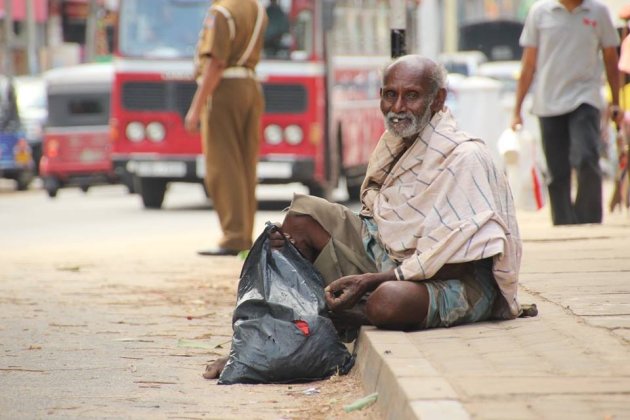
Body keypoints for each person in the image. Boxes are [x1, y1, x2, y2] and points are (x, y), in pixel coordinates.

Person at [203, 54, 524, 379]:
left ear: (437, 99)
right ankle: (269, 339)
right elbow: (381, 222)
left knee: (387, 302)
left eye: (411, 95)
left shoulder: (465, 157)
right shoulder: (397, 141)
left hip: (457, 278)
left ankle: (329, 316)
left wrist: (372, 280)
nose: (398, 106)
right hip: (394, 259)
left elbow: (458, 262)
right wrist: (289, 251)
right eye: (389, 94)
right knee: (300, 218)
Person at [511, 0, 621, 225]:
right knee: (557, 170)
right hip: (548, 101)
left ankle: (588, 220)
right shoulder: (539, 13)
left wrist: (616, 102)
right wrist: (517, 110)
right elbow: (528, 64)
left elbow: (611, 59)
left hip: (585, 98)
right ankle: (564, 223)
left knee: (586, 157)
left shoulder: (598, 13)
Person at [185, 0, 268, 256]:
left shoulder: (221, 12)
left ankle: (233, 236)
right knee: (245, 165)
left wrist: (195, 109)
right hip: (250, 87)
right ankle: (243, 234)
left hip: (225, 90)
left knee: (223, 164)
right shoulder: (256, 9)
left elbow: (216, 63)